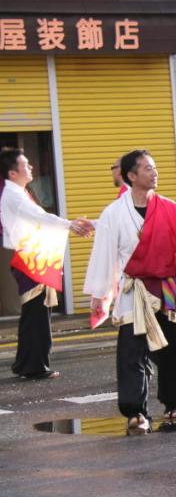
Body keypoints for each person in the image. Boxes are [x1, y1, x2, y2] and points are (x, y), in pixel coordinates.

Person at [84, 150, 176, 435]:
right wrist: (101, 295)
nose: (155, 172)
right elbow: (105, 255)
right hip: (133, 288)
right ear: (131, 176)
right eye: (148, 168)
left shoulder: (170, 208)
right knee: (132, 352)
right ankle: (135, 411)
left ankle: (173, 404)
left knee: (172, 350)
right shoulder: (113, 214)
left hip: (166, 287)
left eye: (155, 167)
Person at [0, 149, 92, 380]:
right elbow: (40, 217)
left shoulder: (18, 192)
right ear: (12, 172)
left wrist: (69, 224)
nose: (31, 167)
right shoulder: (15, 195)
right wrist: (69, 225)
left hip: (31, 259)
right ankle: (34, 365)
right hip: (30, 261)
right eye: (25, 164)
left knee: (34, 313)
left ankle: (27, 363)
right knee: (36, 314)